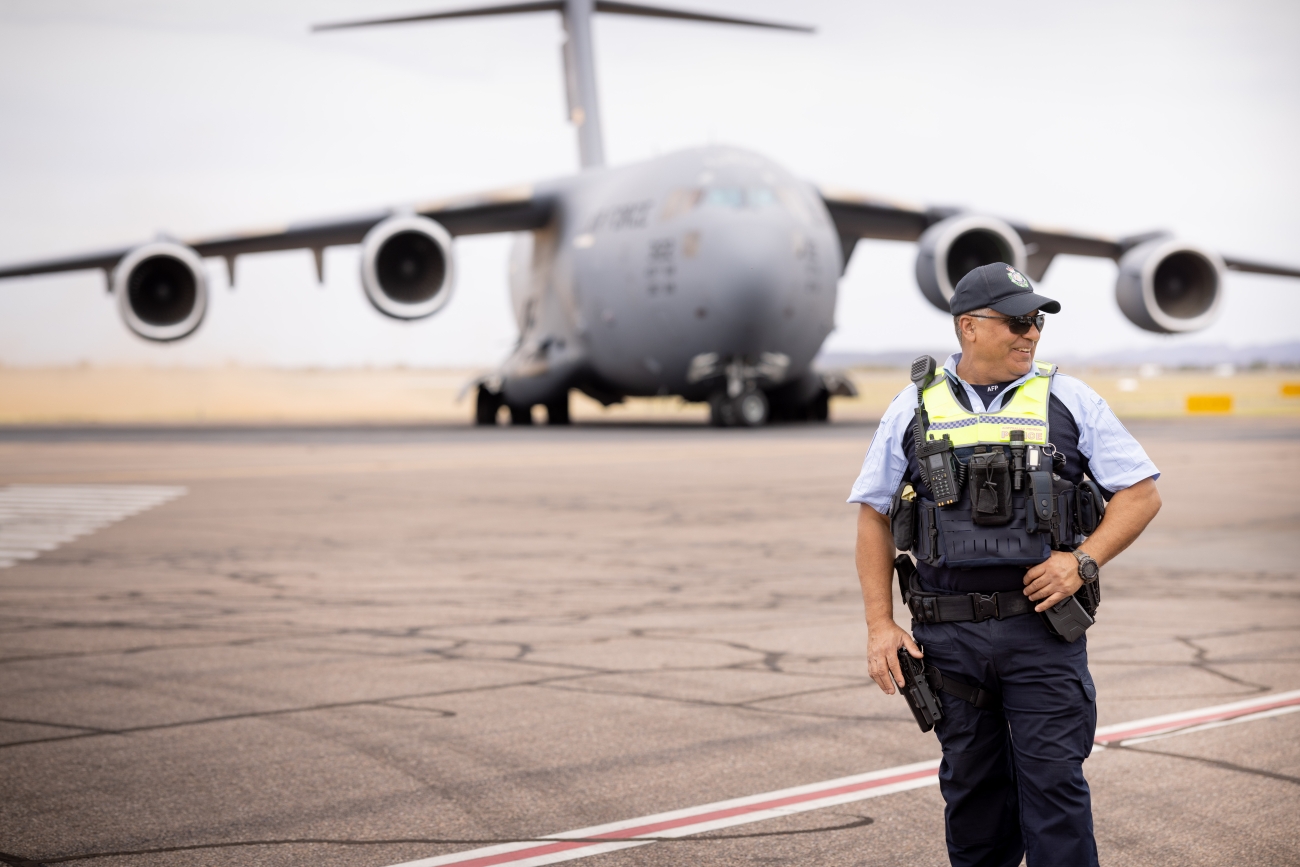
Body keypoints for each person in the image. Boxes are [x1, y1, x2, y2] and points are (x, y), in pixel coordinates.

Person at [848, 262, 1163, 867]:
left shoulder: (1069, 398)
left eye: (1037, 320)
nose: (1032, 334)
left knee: (1054, 794)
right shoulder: (911, 407)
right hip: (948, 638)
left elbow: (1141, 491)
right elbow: (873, 515)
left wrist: (1083, 561)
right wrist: (879, 625)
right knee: (973, 800)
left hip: (1041, 632)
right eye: (1017, 321)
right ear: (968, 327)